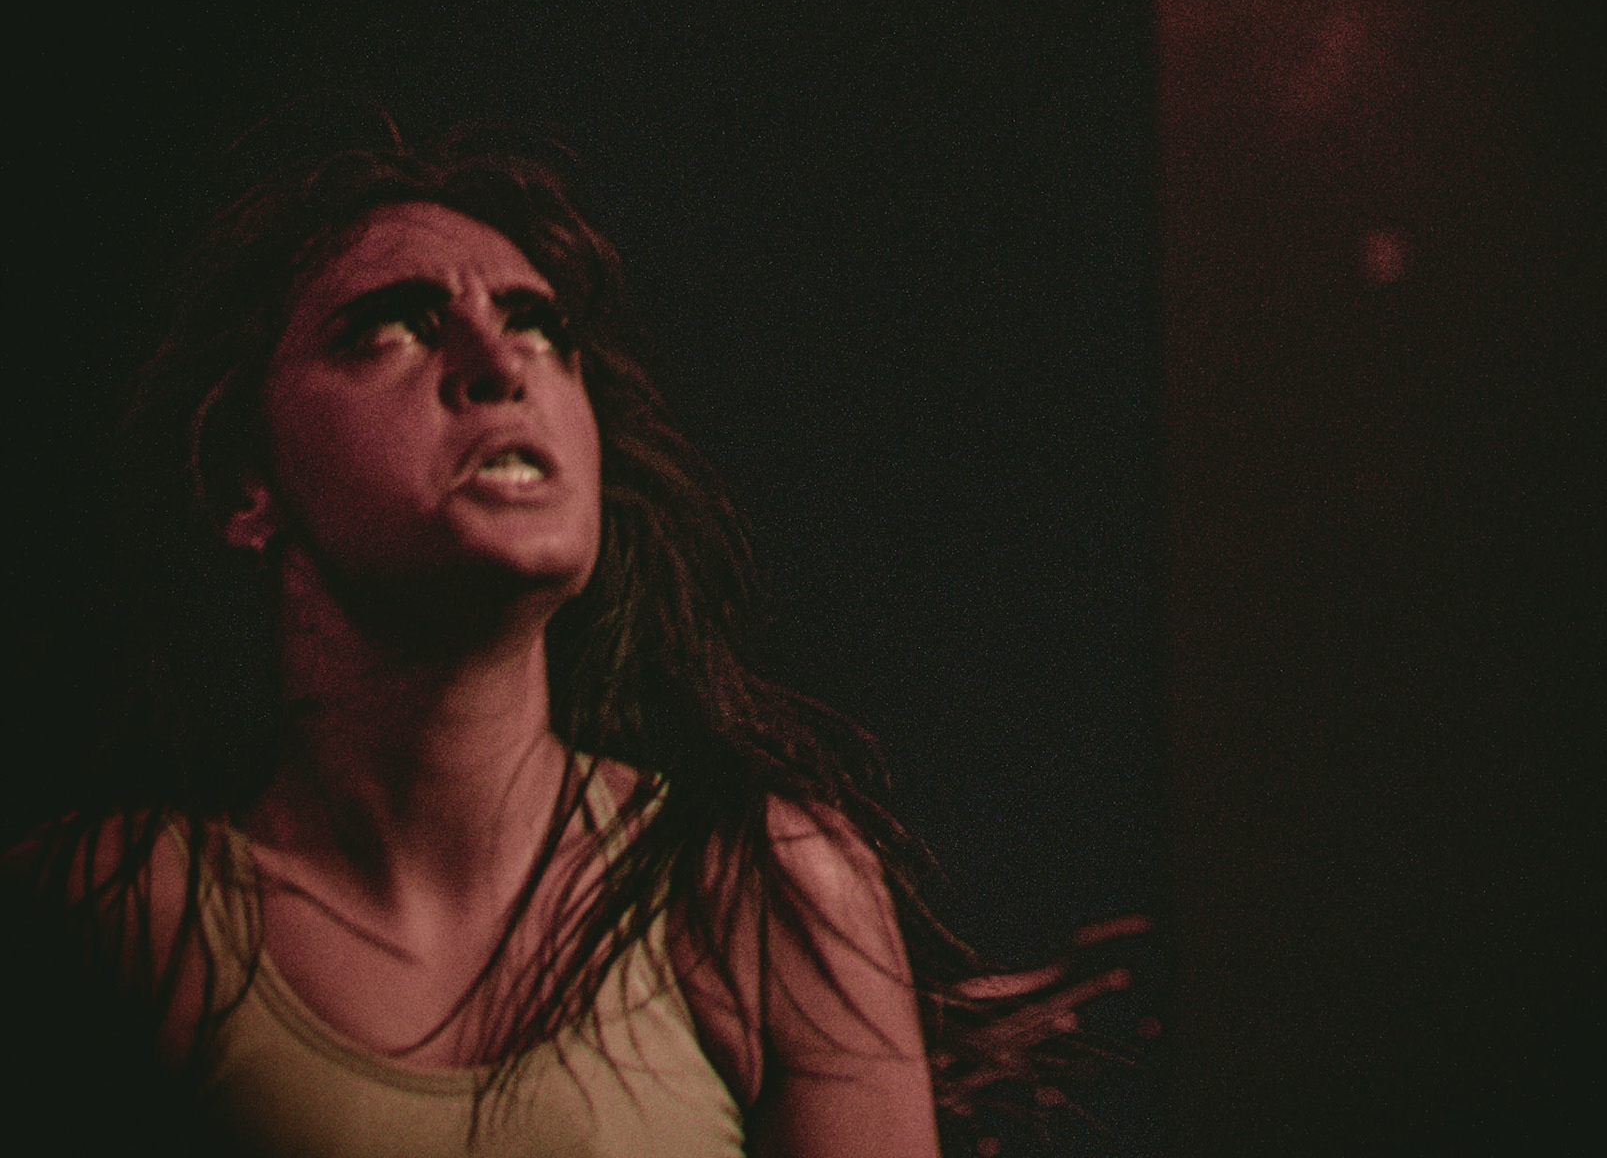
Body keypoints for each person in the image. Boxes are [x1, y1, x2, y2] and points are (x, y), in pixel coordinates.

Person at [5, 120, 1140, 1156]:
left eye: (541, 328)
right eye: (392, 327)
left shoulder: (758, 894)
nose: (500, 365)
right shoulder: (109, 918)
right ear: (242, 484)